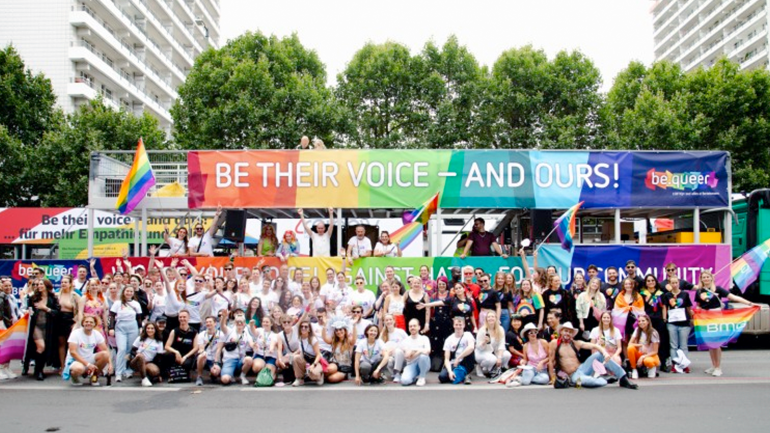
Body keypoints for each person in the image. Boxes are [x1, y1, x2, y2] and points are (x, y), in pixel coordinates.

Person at [694, 270, 754, 377]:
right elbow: (698, 305)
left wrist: (749, 303)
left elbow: (733, 297)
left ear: (711, 278)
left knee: (716, 343)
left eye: (708, 277)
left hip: (716, 317)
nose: (706, 279)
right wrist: (696, 313)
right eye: (704, 277)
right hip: (705, 319)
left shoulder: (718, 289)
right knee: (710, 343)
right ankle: (713, 365)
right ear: (701, 279)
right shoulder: (699, 291)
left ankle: (718, 367)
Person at [548, 322, 638, 389]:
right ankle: (603, 380)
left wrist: (605, 353)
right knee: (583, 382)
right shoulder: (554, 343)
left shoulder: (576, 343)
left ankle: (623, 377)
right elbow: (551, 361)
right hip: (573, 376)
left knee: (599, 354)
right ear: (561, 332)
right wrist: (553, 378)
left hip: (583, 368)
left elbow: (594, 346)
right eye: (566, 331)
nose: (567, 333)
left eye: (570, 332)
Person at [25, 279, 60, 380]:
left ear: (46, 286)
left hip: (48, 327)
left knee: (45, 348)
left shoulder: (53, 298)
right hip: (36, 326)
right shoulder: (33, 298)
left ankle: (39, 368)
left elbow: (57, 312)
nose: (39, 286)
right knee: (41, 346)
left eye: (41, 284)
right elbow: (28, 310)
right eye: (38, 284)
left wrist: (46, 308)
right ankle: (39, 371)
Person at [67, 315, 112, 386]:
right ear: (83, 323)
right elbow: (73, 352)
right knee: (78, 369)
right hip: (77, 360)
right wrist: (87, 364)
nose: (89, 323)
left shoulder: (97, 334)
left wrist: (110, 364)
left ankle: (94, 376)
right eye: (86, 322)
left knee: (105, 354)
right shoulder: (75, 333)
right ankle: (74, 378)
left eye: (91, 322)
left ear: (94, 324)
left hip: (89, 358)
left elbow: (105, 349)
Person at [109, 284, 142, 382]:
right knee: (121, 349)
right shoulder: (117, 303)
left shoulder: (136, 304)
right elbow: (111, 316)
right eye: (127, 291)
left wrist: (140, 328)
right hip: (120, 327)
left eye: (131, 291)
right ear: (123, 292)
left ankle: (127, 369)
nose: (129, 293)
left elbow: (139, 317)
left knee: (129, 349)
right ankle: (118, 372)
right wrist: (111, 327)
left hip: (132, 327)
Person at [661, 276, 692, 373]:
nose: (674, 285)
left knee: (683, 345)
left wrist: (692, 318)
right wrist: (664, 318)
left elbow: (688, 307)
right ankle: (675, 364)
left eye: (676, 282)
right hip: (672, 323)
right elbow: (665, 307)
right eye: (672, 283)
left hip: (684, 323)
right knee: (673, 345)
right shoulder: (667, 295)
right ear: (669, 284)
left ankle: (684, 364)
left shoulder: (685, 294)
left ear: (679, 283)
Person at [641, 273, 669, 370]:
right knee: (647, 341)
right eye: (648, 281)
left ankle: (663, 362)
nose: (650, 282)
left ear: (655, 282)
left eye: (652, 280)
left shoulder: (660, 293)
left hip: (659, 319)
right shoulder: (642, 294)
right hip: (647, 321)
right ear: (645, 283)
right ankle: (646, 362)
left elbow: (664, 306)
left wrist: (664, 318)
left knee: (661, 341)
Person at [217, 314, 254, 385]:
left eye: (241, 322)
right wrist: (224, 317)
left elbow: (251, 343)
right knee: (225, 380)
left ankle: (242, 376)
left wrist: (254, 345)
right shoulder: (229, 331)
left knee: (249, 359)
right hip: (229, 360)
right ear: (234, 323)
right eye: (237, 322)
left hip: (241, 359)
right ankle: (230, 375)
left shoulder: (246, 334)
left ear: (244, 324)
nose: (239, 324)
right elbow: (222, 326)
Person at [511, 323, 550, 387]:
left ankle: (521, 379)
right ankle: (524, 379)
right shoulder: (526, 346)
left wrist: (542, 362)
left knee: (545, 379)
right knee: (526, 382)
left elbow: (550, 357)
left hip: (542, 369)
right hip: (530, 368)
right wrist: (522, 362)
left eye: (535, 332)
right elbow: (526, 360)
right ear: (527, 334)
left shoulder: (543, 342)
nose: (533, 334)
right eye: (531, 332)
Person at [438, 316, 475, 384]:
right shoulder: (449, 339)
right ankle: (458, 374)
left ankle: (464, 375)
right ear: (453, 325)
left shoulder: (468, 335)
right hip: (453, 363)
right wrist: (449, 371)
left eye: (460, 325)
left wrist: (458, 358)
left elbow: (471, 348)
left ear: (464, 325)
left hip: (465, 362)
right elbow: (446, 359)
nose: (458, 327)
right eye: (456, 325)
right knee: (442, 377)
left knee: (454, 380)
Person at [163, 310, 199, 381]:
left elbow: (195, 348)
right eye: (180, 317)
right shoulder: (174, 331)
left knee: (187, 364)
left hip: (187, 355)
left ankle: (185, 374)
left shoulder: (194, 332)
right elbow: (167, 346)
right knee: (166, 356)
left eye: (184, 317)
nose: (182, 319)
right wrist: (176, 352)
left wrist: (185, 357)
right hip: (176, 354)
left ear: (188, 318)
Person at [474, 311, 510, 378]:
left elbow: (502, 345)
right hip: (482, 352)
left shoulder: (500, 329)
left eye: (492, 316)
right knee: (492, 359)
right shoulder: (482, 330)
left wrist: (499, 357)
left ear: (496, 318)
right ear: (486, 319)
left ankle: (497, 368)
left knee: (507, 355)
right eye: (489, 317)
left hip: (494, 351)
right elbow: (478, 347)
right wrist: (484, 342)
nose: (491, 318)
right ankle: (479, 366)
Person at [56, 275, 81, 371]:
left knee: (71, 344)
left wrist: (76, 323)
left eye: (65, 282)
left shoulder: (75, 296)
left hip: (71, 321)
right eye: (62, 282)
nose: (63, 284)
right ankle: (62, 366)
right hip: (59, 320)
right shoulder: (57, 294)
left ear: (70, 284)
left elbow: (79, 311)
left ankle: (70, 366)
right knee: (61, 344)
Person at [130, 321, 165, 387]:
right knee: (141, 356)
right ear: (145, 329)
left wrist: (159, 373)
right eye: (148, 328)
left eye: (152, 328)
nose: (150, 330)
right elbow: (132, 350)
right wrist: (136, 354)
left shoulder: (159, 342)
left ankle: (151, 377)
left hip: (149, 362)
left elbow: (159, 358)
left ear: (155, 330)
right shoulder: (140, 338)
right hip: (137, 361)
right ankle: (144, 379)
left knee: (155, 371)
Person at [292, 319, 324, 386]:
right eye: (302, 326)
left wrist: (313, 365)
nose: (303, 328)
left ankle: (319, 376)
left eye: (306, 327)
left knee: (314, 374)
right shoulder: (299, 339)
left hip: (315, 361)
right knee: (296, 358)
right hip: (306, 361)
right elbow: (301, 351)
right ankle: (299, 378)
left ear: (309, 329)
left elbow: (318, 355)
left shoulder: (313, 339)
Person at [628, 314, 661, 379]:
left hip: (650, 355)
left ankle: (652, 367)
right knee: (630, 348)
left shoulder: (653, 333)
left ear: (648, 322)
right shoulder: (637, 330)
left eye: (643, 321)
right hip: (640, 353)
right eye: (639, 321)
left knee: (648, 361)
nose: (641, 323)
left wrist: (643, 357)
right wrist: (641, 345)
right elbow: (630, 343)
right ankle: (634, 369)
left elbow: (655, 351)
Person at [399, 319, 431, 386]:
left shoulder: (424, 338)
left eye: (414, 326)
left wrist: (415, 351)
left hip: (424, 363)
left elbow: (427, 351)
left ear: (419, 327)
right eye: (410, 326)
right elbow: (408, 356)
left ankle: (422, 377)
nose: (412, 328)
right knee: (405, 381)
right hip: (411, 364)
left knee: (423, 356)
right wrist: (420, 351)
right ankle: (414, 377)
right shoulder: (405, 341)